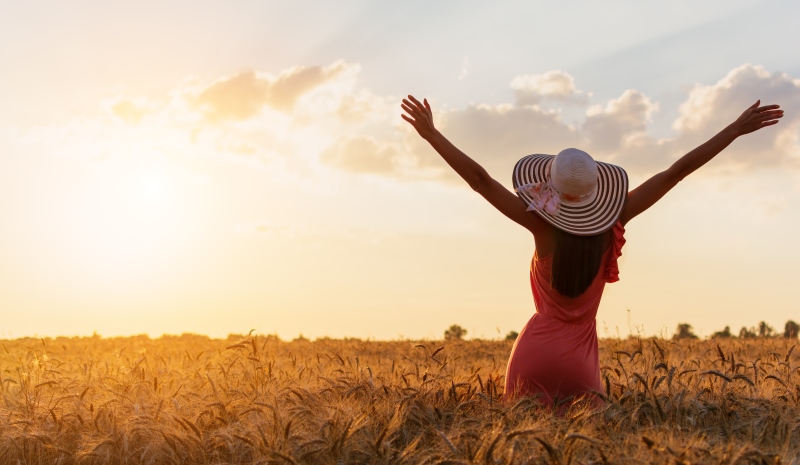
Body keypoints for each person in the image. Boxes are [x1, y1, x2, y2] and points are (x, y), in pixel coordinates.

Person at [401, 95, 783, 407]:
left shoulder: (541, 229)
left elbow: (481, 180)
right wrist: (734, 130)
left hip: (532, 356)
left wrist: (432, 135)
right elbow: (674, 172)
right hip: (581, 363)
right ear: (596, 192)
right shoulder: (615, 221)